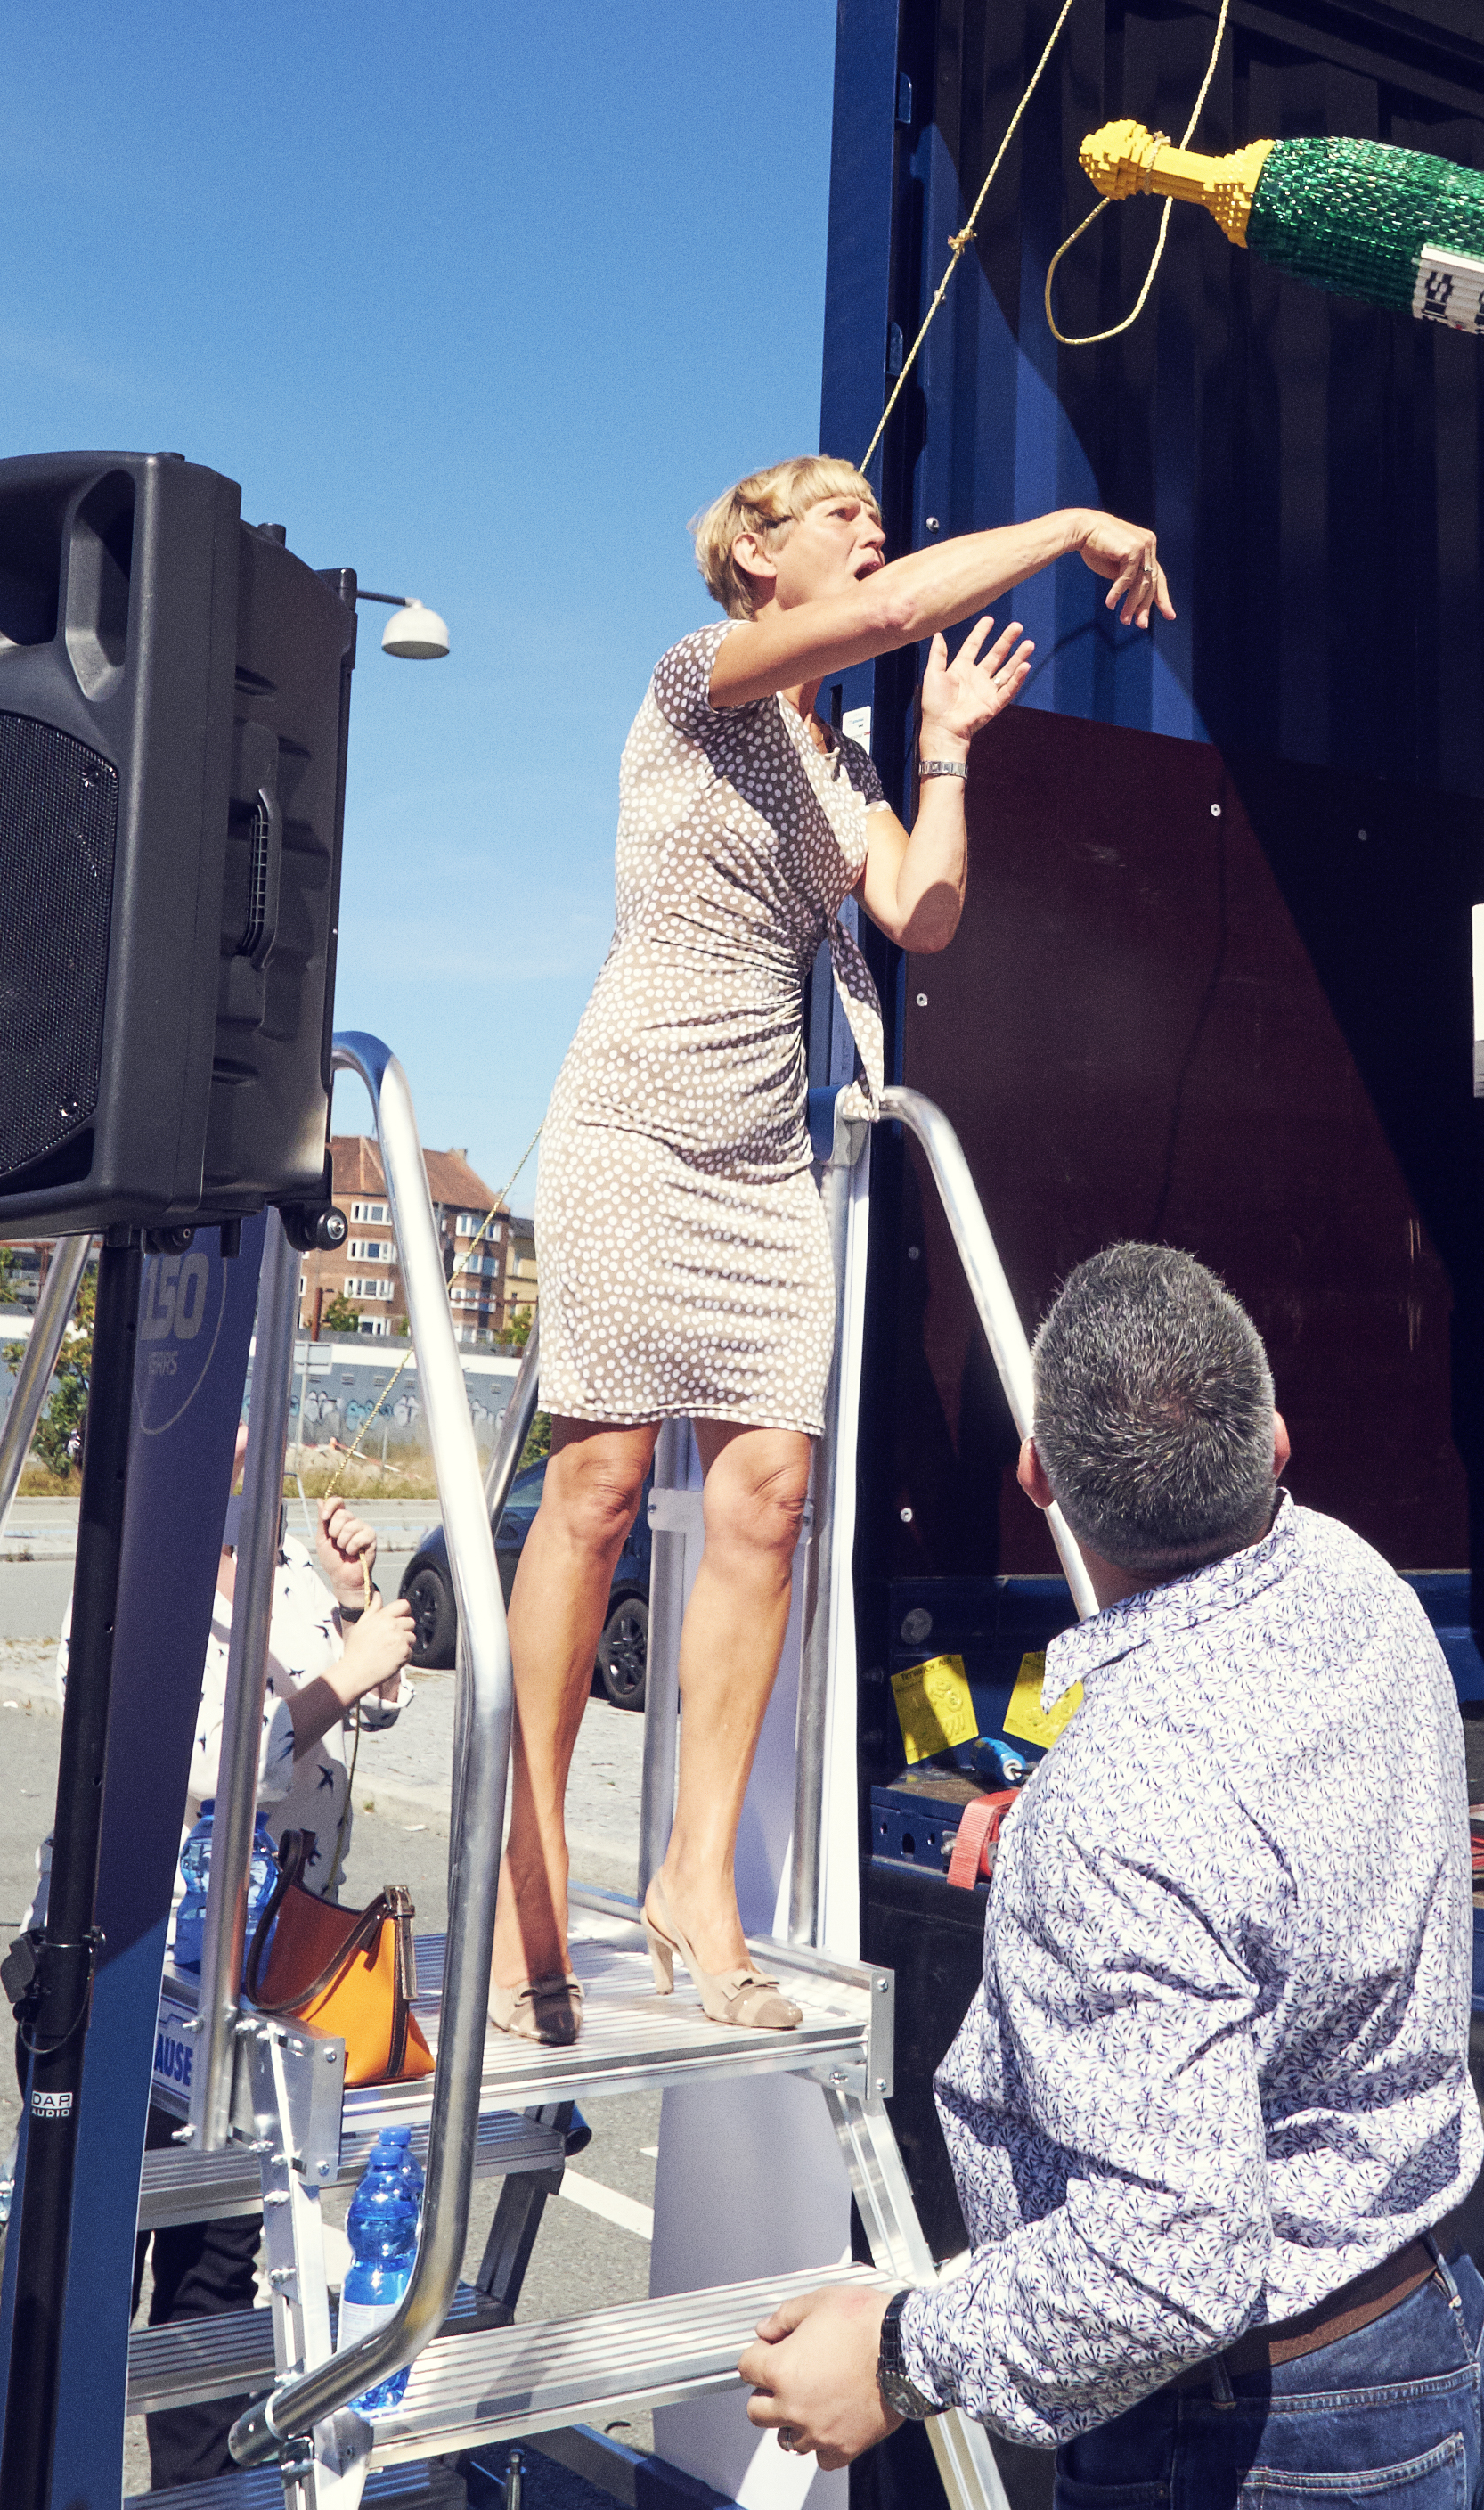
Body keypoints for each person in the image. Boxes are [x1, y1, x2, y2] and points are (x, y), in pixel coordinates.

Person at [500, 462, 1168, 2042]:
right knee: (594, 1490)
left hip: (757, 1163)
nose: (875, 528)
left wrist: (941, 759)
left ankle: (694, 1883)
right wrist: (1073, 531)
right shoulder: (699, 679)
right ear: (756, 550)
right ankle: (528, 1884)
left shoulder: (841, 753)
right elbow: (885, 610)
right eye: (842, 511)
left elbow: (920, 913)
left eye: (877, 511)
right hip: (633, 1126)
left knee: (772, 1501)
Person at [738, 1246, 1484, 2504]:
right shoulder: (1371, 1593)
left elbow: (1173, 2262)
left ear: (1036, 1479)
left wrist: (897, 2356)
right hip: (1428, 2345)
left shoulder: (1110, 1809)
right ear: (1279, 1444)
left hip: (1259, 2437)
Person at [140, 1492, 419, 2487]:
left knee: (215, 2274)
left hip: (266, 1974)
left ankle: (196, 2495)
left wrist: (350, 1605)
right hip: (137, 1974)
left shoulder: (289, 1567)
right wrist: (346, 1671)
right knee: (92, 2269)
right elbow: (216, 1761)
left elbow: (380, 1705)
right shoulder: (143, 1567)